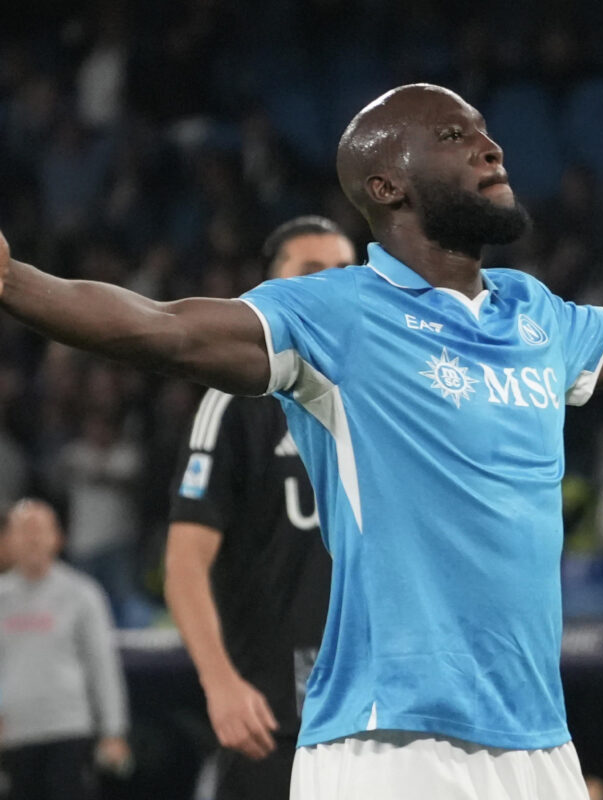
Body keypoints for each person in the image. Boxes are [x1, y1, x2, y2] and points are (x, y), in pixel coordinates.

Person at [1, 83, 603, 799]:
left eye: (485, 129)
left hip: (536, 739)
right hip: (389, 740)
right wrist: (13, 283)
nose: (488, 145)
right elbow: (166, 330)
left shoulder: (532, 312)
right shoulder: (336, 314)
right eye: (454, 137)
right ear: (387, 186)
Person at [164, 216, 355, 799]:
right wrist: (220, 682)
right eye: (311, 271)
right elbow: (185, 561)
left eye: (346, 272)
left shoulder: (392, 392)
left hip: (382, 708)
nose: (332, 285)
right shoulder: (237, 401)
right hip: (275, 715)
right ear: (272, 289)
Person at [0, 499, 131, 800]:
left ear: (58, 538)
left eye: (39, 530)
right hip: (16, 733)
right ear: (7, 540)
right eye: (22, 530)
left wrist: (114, 730)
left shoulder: (82, 594)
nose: (32, 539)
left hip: (69, 728)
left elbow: (103, 666)